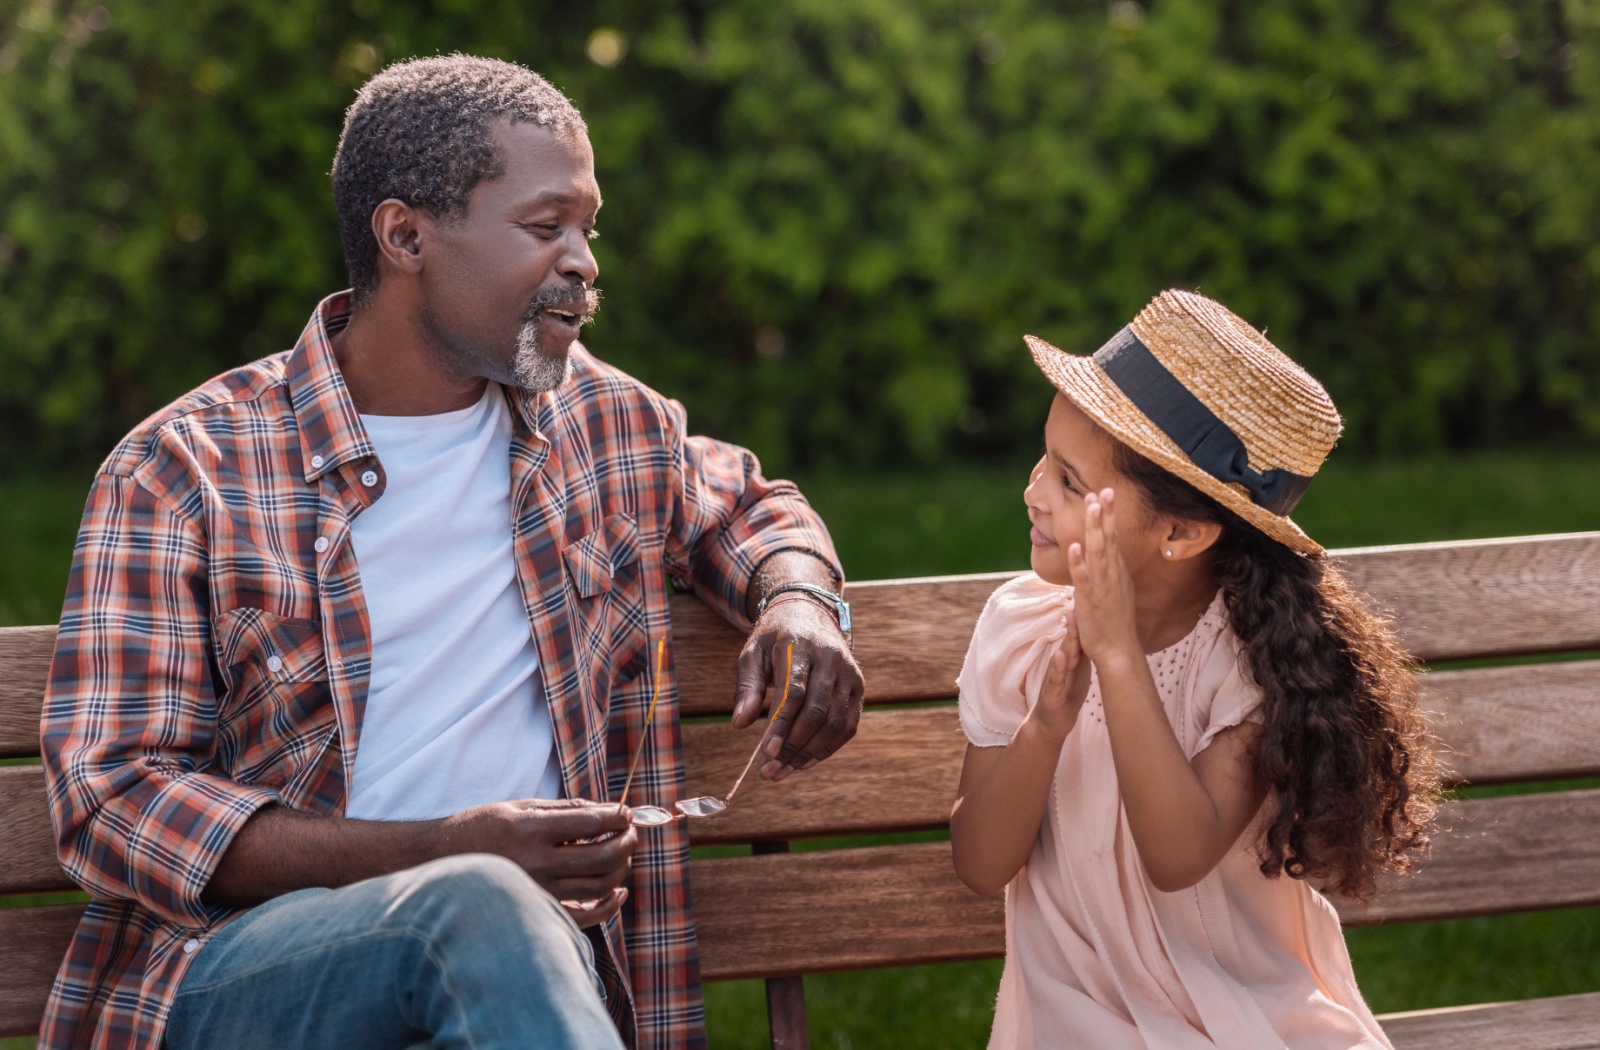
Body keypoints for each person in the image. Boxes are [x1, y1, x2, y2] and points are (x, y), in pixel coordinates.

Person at [40, 56, 863, 1050]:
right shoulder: (188, 470)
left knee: (486, 916)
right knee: (475, 904)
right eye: (543, 225)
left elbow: (749, 507)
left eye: (587, 229)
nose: (584, 262)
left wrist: (801, 605)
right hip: (250, 977)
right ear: (406, 236)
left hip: (524, 989)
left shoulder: (603, 428)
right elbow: (113, 796)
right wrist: (444, 852)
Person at [949, 290, 1439, 1049]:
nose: (1034, 492)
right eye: (1044, 458)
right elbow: (981, 865)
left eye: (1070, 482)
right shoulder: (1021, 634)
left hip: (1247, 1016)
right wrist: (1046, 723)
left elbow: (1177, 855)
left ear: (1180, 531)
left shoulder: (1248, 666)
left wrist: (1116, 658)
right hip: (1077, 1023)